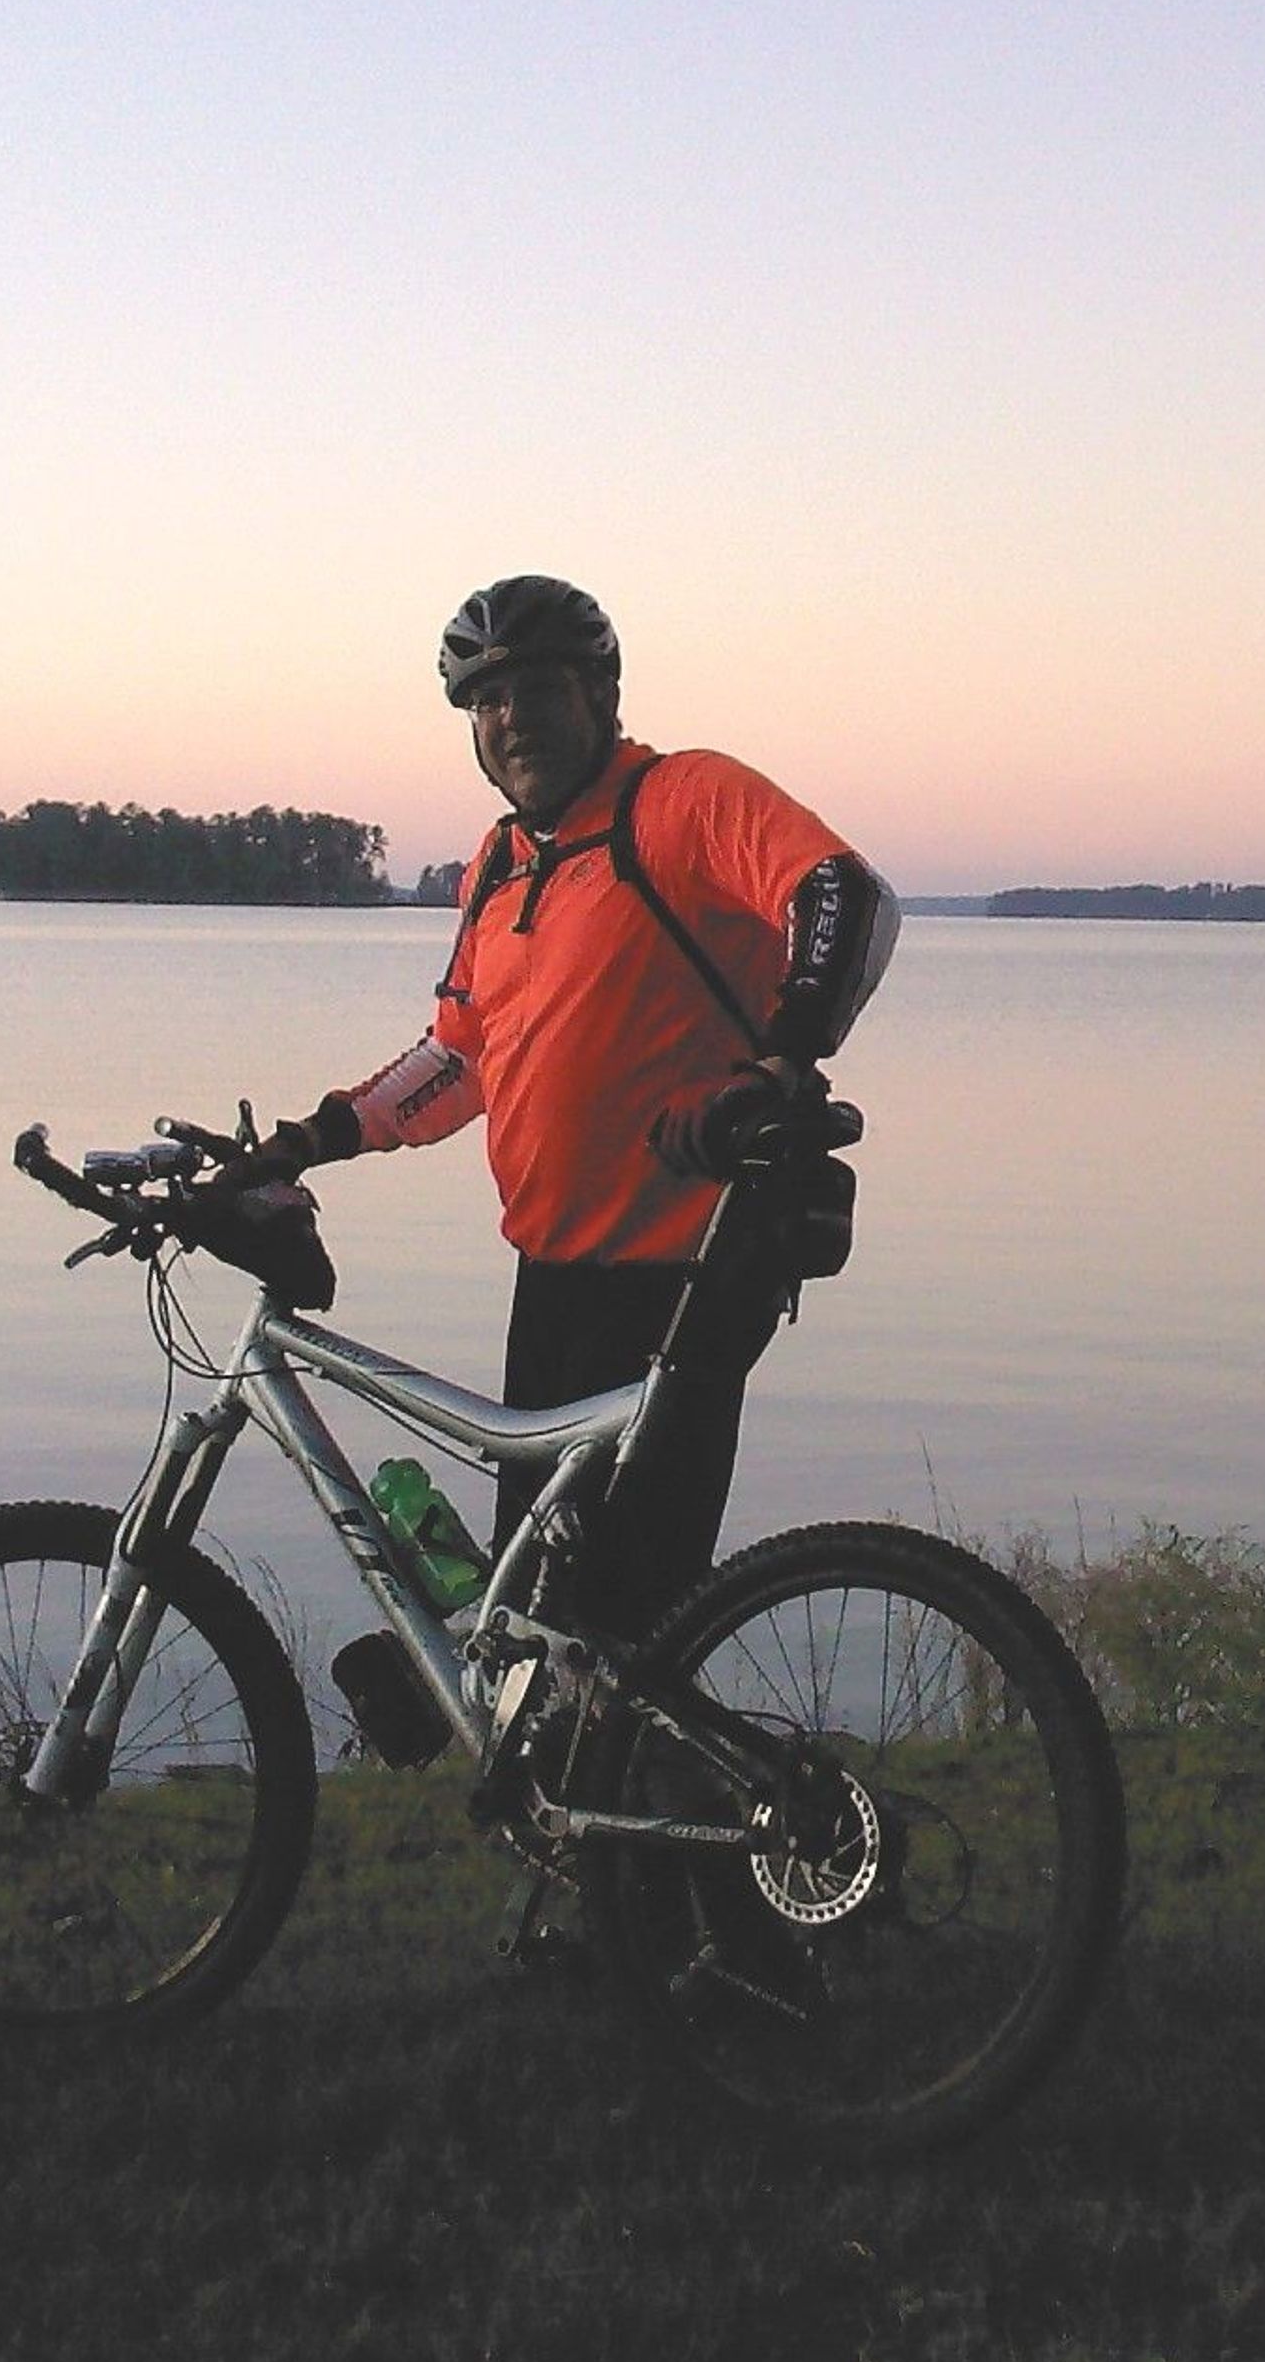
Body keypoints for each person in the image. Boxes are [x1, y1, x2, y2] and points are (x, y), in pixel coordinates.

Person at [284, 574, 897, 1643]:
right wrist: (313, 1137)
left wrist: (781, 1064)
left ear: (602, 694)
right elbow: (460, 1055)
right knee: (543, 1605)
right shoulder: (500, 862)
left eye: (536, 688)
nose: (510, 717)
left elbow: (843, 897)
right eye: (486, 700)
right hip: (554, 1273)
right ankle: (590, 1797)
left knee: (627, 1608)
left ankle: (720, 1802)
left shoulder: (682, 800)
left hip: (685, 1271)